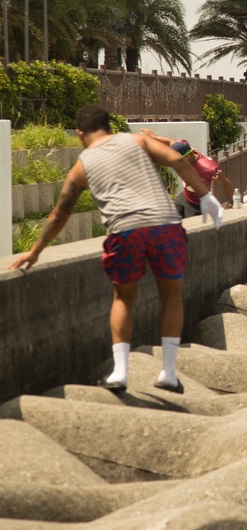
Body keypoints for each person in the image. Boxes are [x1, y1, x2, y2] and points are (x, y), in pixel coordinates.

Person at [8, 104, 224, 393]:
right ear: (110, 127)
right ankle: (169, 373)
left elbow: (60, 214)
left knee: (123, 300)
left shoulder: (82, 165)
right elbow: (177, 159)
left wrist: (35, 251)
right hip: (165, 226)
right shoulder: (135, 139)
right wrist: (206, 196)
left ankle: (120, 372)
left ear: (81, 134)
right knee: (171, 296)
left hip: (125, 231)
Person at [139, 130, 234, 218]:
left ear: (188, 155)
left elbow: (225, 182)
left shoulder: (207, 167)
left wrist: (231, 203)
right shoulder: (182, 148)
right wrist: (152, 136)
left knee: (189, 231)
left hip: (197, 204)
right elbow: (169, 141)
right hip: (184, 197)